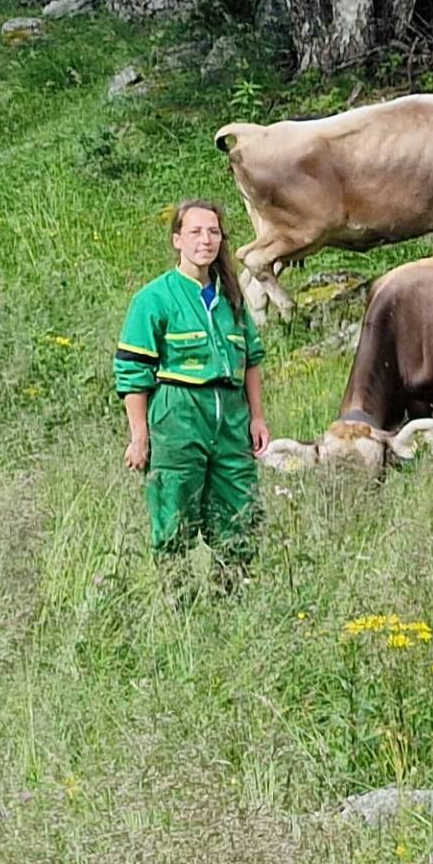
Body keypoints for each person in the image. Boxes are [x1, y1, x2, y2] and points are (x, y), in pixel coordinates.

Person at [114, 200, 270, 582]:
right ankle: (178, 600)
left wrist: (257, 417)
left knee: (240, 514)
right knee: (174, 515)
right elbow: (132, 372)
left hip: (231, 419)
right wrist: (139, 436)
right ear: (177, 240)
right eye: (196, 232)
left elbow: (251, 358)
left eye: (213, 232)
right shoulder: (154, 298)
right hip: (178, 417)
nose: (206, 240)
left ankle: (230, 597)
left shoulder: (231, 298)